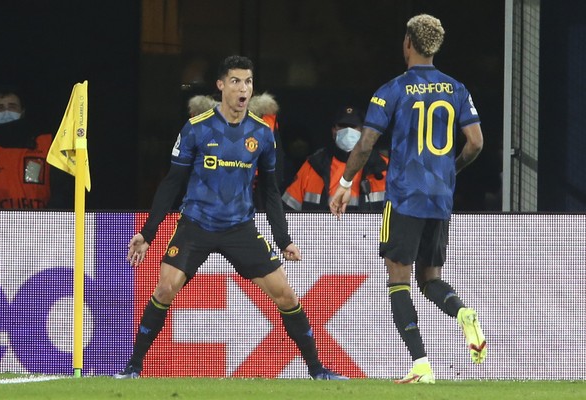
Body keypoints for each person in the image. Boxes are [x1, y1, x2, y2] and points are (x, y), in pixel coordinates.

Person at [114, 55, 348, 380]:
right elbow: (172, 182)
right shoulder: (197, 129)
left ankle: (318, 371)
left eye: (248, 82)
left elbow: (270, 191)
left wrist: (284, 239)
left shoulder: (262, 134)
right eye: (236, 81)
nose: (243, 88)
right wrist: (148, 232)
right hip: (195, 224)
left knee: (287, 295)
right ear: (221, 85)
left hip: (239, 228)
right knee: (165, 289)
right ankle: (133, 368)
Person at [329, 14, 486, 384]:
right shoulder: (456, 89)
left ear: (408, 44)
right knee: (430, 279)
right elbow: (476, 142)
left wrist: (346, 182)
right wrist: (451, 172)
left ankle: (421, 365)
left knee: (398, 280)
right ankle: (464, 314)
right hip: (439, 198)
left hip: (403, 196)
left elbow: (366, 143)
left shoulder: (392, 90)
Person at [282, 106, 388, 211]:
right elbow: (287, 212)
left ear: (364, 132)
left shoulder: (383, 166)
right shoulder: (313, 166)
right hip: (320, 228)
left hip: (370, 228)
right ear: (333, 131)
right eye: (342, 126)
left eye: (353, 127)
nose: (347, 131)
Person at [0, 86, 71, 209]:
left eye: (12, 106)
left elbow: (63, 190)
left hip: (40, 223)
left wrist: (52, 217)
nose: (6, 112)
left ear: (22, 111)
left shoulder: (46, 144)